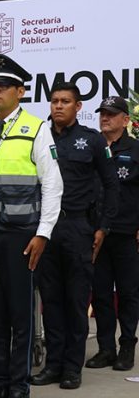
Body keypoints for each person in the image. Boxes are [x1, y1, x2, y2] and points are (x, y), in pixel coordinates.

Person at [0, 54, 63, 398]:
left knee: (20, 314)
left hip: (20, 236)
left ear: (20, 92)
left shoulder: (36, 128)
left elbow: (53, 185)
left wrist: (42, 234)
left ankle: (19, 386)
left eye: (3, 86)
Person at [31, 83, 119, 389]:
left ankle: (72, 367)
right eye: (54, 101)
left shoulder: (91, 140)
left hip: (78, 228)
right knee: (51, 300)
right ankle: (53, 365)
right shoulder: (39, 137)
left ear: (78, 106)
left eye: (65, 101)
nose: (58, 106)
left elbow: (111, 185)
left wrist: (103, 227)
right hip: (45, 229)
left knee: (76, 300)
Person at [85, 96, 139, 371]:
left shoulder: (136, 149)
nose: (105, 118)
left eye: (111, 114)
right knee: (101, 294)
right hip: (95, 233)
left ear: (125, 120)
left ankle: (127, 346)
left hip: (126, 232)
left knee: (128, 293)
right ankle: (106, 349)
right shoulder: (93, 148)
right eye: (102, 113)